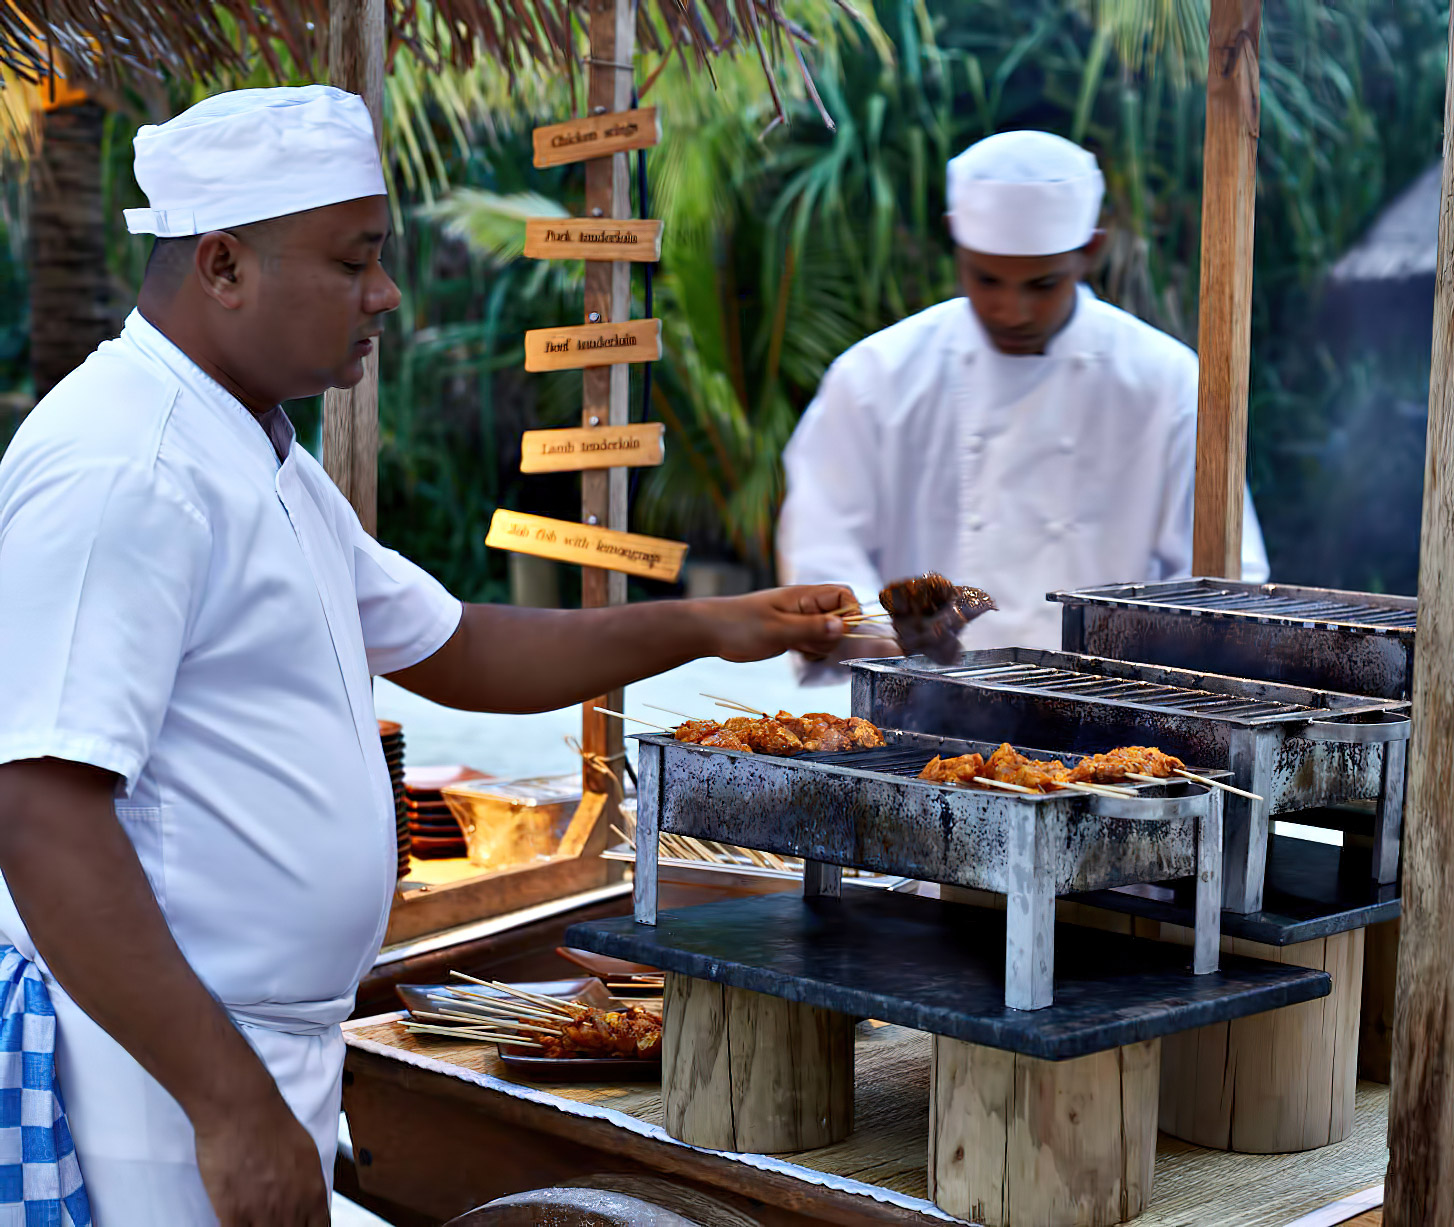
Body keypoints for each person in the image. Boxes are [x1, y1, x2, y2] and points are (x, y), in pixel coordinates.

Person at [0, 87, 852, 1226]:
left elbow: (459, 645)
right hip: (155, 1074)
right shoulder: (126, 469)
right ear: (220, 266)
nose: (385, 294)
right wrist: (229, 1106)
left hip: (244, 1054)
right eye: (355, 261)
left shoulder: (258, 453)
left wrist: (713, 623)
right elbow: (42, 810)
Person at [778, 129, 1267, 675]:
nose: (1012, 310)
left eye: (1041, 285)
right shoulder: (876, 377)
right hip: (910, 706)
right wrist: (879, 636)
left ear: (1090, 251)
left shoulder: (1165, 383)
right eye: (987, 280)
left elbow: (1223, 590)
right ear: (955, 242)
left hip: (1108, 713)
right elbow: (823, 544)